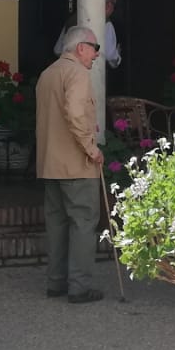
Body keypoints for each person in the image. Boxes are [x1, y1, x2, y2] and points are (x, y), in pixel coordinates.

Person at [36, 25, 104, 304]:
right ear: (81, 48)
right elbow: (75, 114)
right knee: (83, 223)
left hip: (50, 164)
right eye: (95, 49)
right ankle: (79, 287)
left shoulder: (48, 73)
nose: (96, 56)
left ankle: (56, 282)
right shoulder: (76, 72)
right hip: (76, 164)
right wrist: (92, 149)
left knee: (57, 224)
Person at [55, 0, 120, 69]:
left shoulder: (72, 19)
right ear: (109, 5)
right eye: (114, 7)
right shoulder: (106, 23)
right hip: (93, 74)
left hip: (68, 70)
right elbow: (110, 55)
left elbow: (57, 50)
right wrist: (117, 57)